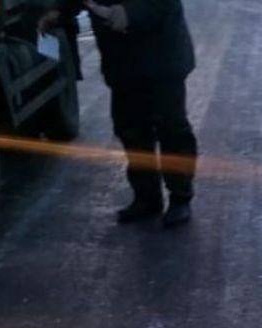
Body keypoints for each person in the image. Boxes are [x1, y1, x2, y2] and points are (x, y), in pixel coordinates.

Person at [42, 0, 197, 227]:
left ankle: (180, 197)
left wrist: (130, 12)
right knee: (131, 130)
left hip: (162, 57)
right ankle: (147, 197)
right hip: (122, 63)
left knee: (171, 129)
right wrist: (59, 11)